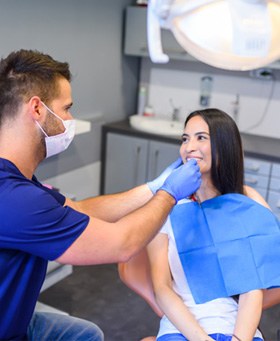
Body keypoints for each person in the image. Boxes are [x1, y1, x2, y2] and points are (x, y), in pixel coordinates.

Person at [0, 49, 202, 341]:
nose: (70, 118)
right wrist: (169, 195)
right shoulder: (14, 199)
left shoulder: (18, 179)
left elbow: (79, 209)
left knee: (87, 333)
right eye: (66, 108)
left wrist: (152, 188)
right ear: (37, 109)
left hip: (14, 318)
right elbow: (123, 244)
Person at [147, 108, 280, 341]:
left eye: (201, 138)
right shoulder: (166, 205)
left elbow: (253, 286)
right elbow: (162, 288)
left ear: (224, 145)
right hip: (180, 329)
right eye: (185, 139)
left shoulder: (247, 201)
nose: (189, 147)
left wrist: (239, 339)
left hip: (236, 325)